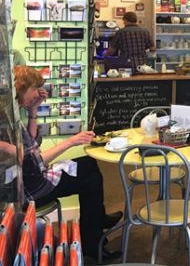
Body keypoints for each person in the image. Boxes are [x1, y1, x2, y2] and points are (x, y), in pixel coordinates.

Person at [11, 66, 122, 261]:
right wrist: (71, 141)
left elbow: (34, 145)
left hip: (31, 180)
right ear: (21, 88)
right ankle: (93, 241)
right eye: (34, 88)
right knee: (90, 181)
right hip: (30, 191)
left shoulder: (14, 114)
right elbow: (34, 161)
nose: (39, 92)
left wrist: (33, 110)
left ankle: (97, 222)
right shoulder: (9, 122)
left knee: (89, 164)